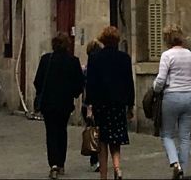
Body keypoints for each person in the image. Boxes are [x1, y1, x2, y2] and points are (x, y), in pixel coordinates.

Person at [85, 26, 135, 180]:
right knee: (116, 138)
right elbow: (129, 83)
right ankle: (117, 168)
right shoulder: (124, 58)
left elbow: (90, 83)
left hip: (101, 104)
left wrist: (89, 104)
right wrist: (130, 105)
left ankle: (103, 175)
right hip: (118, 103)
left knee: (102, 141)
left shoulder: (95, 58)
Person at [34, 32, 85, 180]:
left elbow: (37, 81)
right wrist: (72, 94)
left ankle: (54, 164)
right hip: (65, 103)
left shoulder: (46, 60)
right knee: (62, 131)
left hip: (48, 103)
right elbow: (79, 84)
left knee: (51, 132)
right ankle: (61, 163)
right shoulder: (73, 61)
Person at [154, 25, 191, 180]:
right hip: (189, 96)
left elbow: (161, 80)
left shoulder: (167, 56)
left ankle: (175, 163)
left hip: (171, 96)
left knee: (167, 134)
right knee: (185, 137)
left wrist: (155, 89)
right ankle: (183, 171)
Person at [82, 39, 102, 173]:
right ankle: (98, 158)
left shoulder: (86, 69)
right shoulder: (103, 68)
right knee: (99, 132)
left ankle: (94, 159)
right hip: (100, 103)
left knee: (92, 131)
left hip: (88, 104)